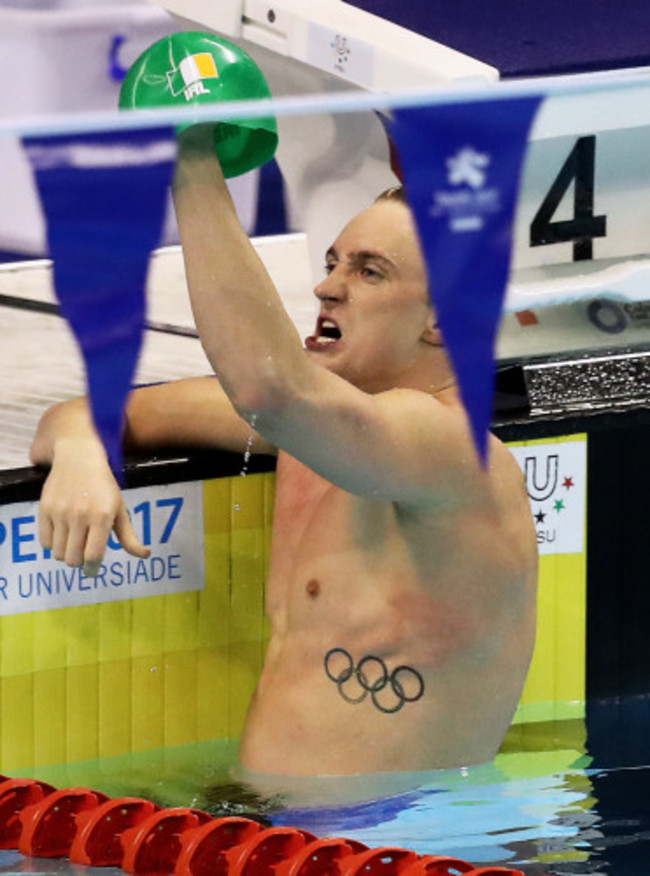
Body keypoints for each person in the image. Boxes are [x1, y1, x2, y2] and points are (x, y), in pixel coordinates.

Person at [30, 124, 538, 777]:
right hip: (272, 824)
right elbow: (92, 412)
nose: (328, 288)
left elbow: (268, 389)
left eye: (369, 272)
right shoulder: (315, 434)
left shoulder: (453, 453)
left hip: (399, 830)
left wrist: (193, 160)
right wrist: (80, 453)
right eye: (332, 263)